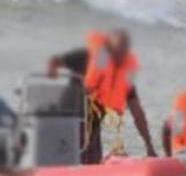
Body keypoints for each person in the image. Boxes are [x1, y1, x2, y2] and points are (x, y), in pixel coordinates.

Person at [47, 29, 157, 163]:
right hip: (68, 119)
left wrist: (149, 145)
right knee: (76, 158)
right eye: (115, 51)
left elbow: (137, 111)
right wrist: (52, 71)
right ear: (108, 47)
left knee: (93, 161)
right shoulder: (86, 56)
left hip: (92, 125)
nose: (118, 57)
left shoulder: (125, 74)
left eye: (122, 52)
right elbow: (55, 61)